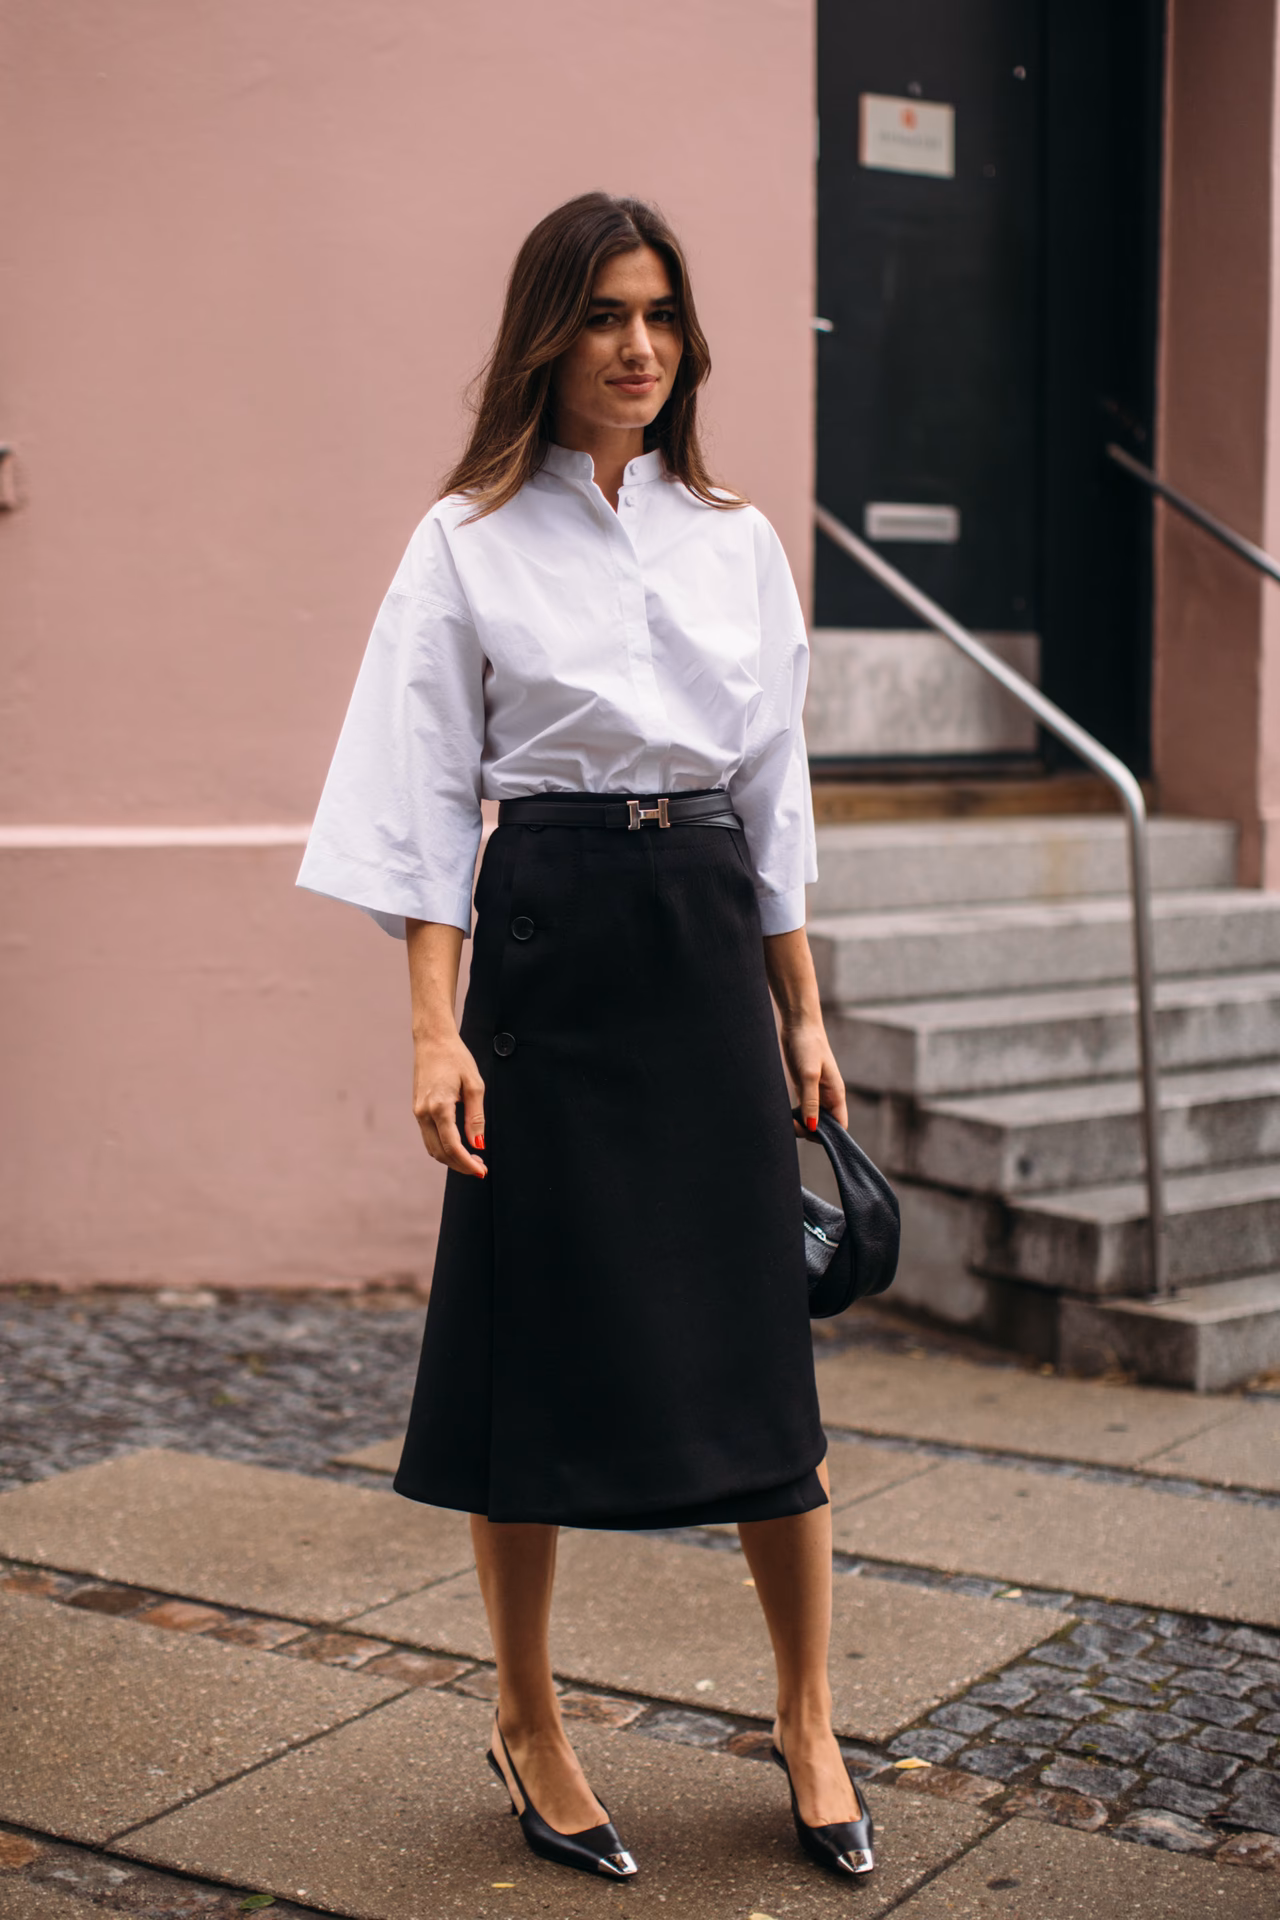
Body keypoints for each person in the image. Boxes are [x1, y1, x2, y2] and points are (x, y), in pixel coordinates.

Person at [297, 190, 874, 1885]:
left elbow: (774, 790)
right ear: (546, 334)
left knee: (766, 1359)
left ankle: (810, 1714)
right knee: (532, 1349)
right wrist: (430, 1033)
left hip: (702, 942)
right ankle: (529, 1718)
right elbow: (413, 804)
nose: (638, 348)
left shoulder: (737, 536)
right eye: (607, 316)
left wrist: (806, 1014)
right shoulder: (464, 541)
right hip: (544, 946)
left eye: (662, 316)